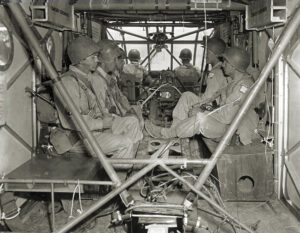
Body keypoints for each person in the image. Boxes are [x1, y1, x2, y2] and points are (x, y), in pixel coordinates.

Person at [146, 47, 259, 145]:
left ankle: (167, 133)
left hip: (231, 128)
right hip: (225, 120)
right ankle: (172, 132)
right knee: (188, 98)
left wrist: (201, 111)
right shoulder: (235, 81)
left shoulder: (242, 87)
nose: (223, 64)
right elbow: (218, 102)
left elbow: (226, 117)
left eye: (226, 62)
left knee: (199, 120)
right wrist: (202, 107)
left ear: (233, 66)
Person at [50, 36, 139, 158]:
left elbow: (96, 107)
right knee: (125, 143)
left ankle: (124, 163)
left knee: (132, 122)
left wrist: (106, 116)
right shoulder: (68, 83)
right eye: (93, 57)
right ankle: (116, 175)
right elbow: (73, 121)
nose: (97, 60)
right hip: (76, 138)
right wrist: (102, 124)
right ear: (81, 61)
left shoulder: (86, 78)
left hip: (91, 130)